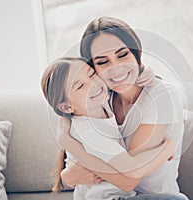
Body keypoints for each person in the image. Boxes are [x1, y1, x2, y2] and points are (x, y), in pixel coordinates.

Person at [59, 17, 188, 200]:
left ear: (136, 52)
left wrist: (68, 145)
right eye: (103, 62)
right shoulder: (101, 97)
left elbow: (128, 177)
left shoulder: (162, 97)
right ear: (92, 68)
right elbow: (67, 111)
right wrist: (66, 174)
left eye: (123, 55)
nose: (116, 68)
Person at [41, 57, 176, 200]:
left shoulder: (99, 103)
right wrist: (167, 148)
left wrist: (144, 72)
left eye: (92, 74)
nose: (93, 84)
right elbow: (130, 173)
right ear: (67, 107)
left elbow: (122, 78)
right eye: (80, 86)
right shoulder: (89, 132)